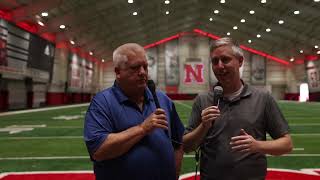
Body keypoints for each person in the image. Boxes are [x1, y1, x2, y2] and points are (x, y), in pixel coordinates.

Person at [183, 37, 293, 180]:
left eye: (225, 59)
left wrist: (257, 146)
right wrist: (203, 126)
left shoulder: (262, 98)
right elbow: (186, 146)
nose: (220, 66)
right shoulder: (203, 100)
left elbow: (287, 144)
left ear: (240, 61)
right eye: (215, 61)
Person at [83, 43, 185, 180]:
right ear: (118, 72)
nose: (142, 72)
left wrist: (174, 176)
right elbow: (98, 150)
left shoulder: (162, 99)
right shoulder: (102, 102)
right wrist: (142, 129)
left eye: (145, 66)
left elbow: (178, 144)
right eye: (135, 68)